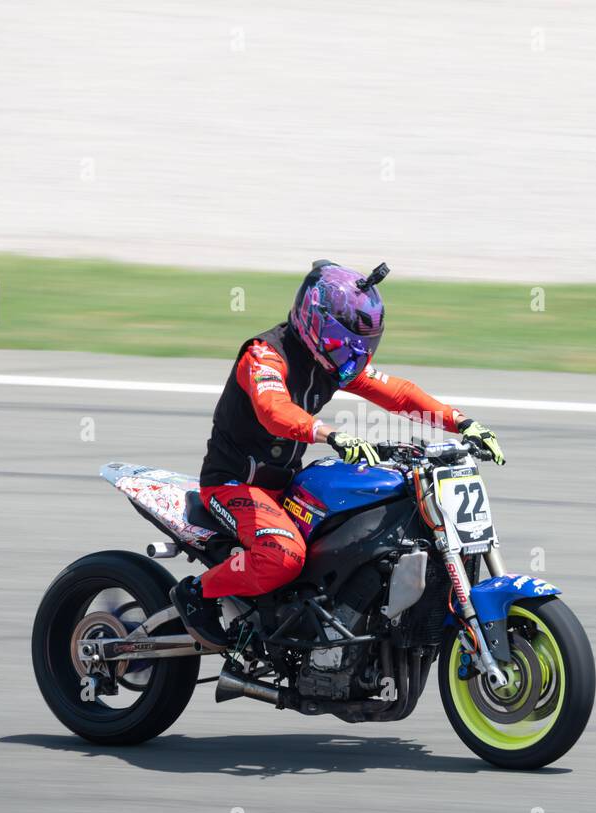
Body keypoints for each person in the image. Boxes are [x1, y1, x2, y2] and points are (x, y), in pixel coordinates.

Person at [171, 260, 504, 650]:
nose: (356, 355)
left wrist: (461, 422)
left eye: (364, 344)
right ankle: (198, 592)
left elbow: (397, 393)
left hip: (286, 484)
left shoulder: (333, 362)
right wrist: (330, 434)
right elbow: (273, 410)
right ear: (317, 323)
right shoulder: (264, 356)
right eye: (345, 341)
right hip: (233, 485)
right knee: (284, 557)